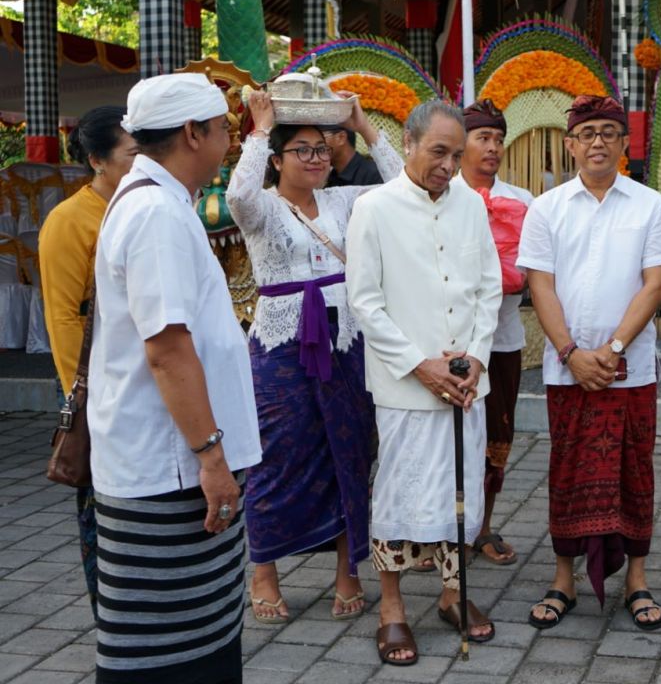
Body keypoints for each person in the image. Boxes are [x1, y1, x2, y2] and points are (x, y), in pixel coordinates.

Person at [89, 74, 261, 683]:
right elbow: (167, 349)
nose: (229, 141)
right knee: (164, 649)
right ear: (193, 134)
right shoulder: (156, 212)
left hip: (175, 463)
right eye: (224, 130)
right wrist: (211, 459)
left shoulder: (162, 201)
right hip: (168, 471)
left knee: (202, 632)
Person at [227, 91, 404, 623]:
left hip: (347, 339)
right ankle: (264, 570)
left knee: (348, 450)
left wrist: (364, 124)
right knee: (276, 455)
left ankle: (348, 571)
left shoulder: (348, 201)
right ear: (277, 160)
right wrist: (259, 129)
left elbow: (402, 189)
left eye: (323, 149)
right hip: (281, 344)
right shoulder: (261, 209)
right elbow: (237, 192)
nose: (317, 159)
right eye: (302, 151)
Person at [345, 100, 502, 666]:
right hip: (407, 387)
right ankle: (392, 611)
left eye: (457, 155)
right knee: (399, 495)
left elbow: (488, 288)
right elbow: (365, 302)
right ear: (407, 143)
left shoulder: (471, 205)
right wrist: (421, 365)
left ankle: (453, 596)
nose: (449, 165)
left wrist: (478, 359)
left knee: (463, 492)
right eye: (439, 152)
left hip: (466, 384)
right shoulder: (375, 207)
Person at [517, 94, 661, 632]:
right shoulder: (547, 208)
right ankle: (562, 578)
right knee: (565, 471)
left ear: (623, 143)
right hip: (568, 369)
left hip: (629, 369)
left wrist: (610, 351)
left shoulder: (649, 205)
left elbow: (657, 282)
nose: (597, 142)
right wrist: (570, 352)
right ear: (570, 145)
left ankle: (637, 579)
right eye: (587, 134)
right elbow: (539, 284)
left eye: (609, 132)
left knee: (635, 470)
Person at [39, 106, 138, 619]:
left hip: (135, 373)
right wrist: (81, 391)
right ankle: (110, 609)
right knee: (100, 501)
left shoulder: (138, 204)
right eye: (132, 154)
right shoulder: (69, 220)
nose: (142, 161)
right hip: (92, 380)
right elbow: (61, 316)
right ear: (98, 160)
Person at [458, 99, 533, 566]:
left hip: (502, 339)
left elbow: (532, 271)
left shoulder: (522, 201)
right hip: (449, 341)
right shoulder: (442, 197)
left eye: (498, 140)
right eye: (483, 138)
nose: (493, 148)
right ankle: (439, 533)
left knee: (496, 435)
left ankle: (482, 526)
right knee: (444, 441)